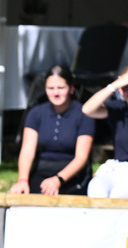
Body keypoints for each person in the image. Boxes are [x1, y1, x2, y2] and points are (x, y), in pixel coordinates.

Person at [9, 65, 95, 196]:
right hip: (43, 169)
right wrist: (22, 180)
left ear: (71, 89)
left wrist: (58, 180)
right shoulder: (36, 113)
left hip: (72, 173)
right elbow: (27, 151)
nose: (56, 93)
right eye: (51, 88)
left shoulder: (83, 114)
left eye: (61, 88)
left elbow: (81, 157)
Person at [82, 66, 128, 199]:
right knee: (96, 188)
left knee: (118, 195)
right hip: (118, 168)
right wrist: (114, 85)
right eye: (126, 86)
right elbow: (87, 110)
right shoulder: (117, 110)